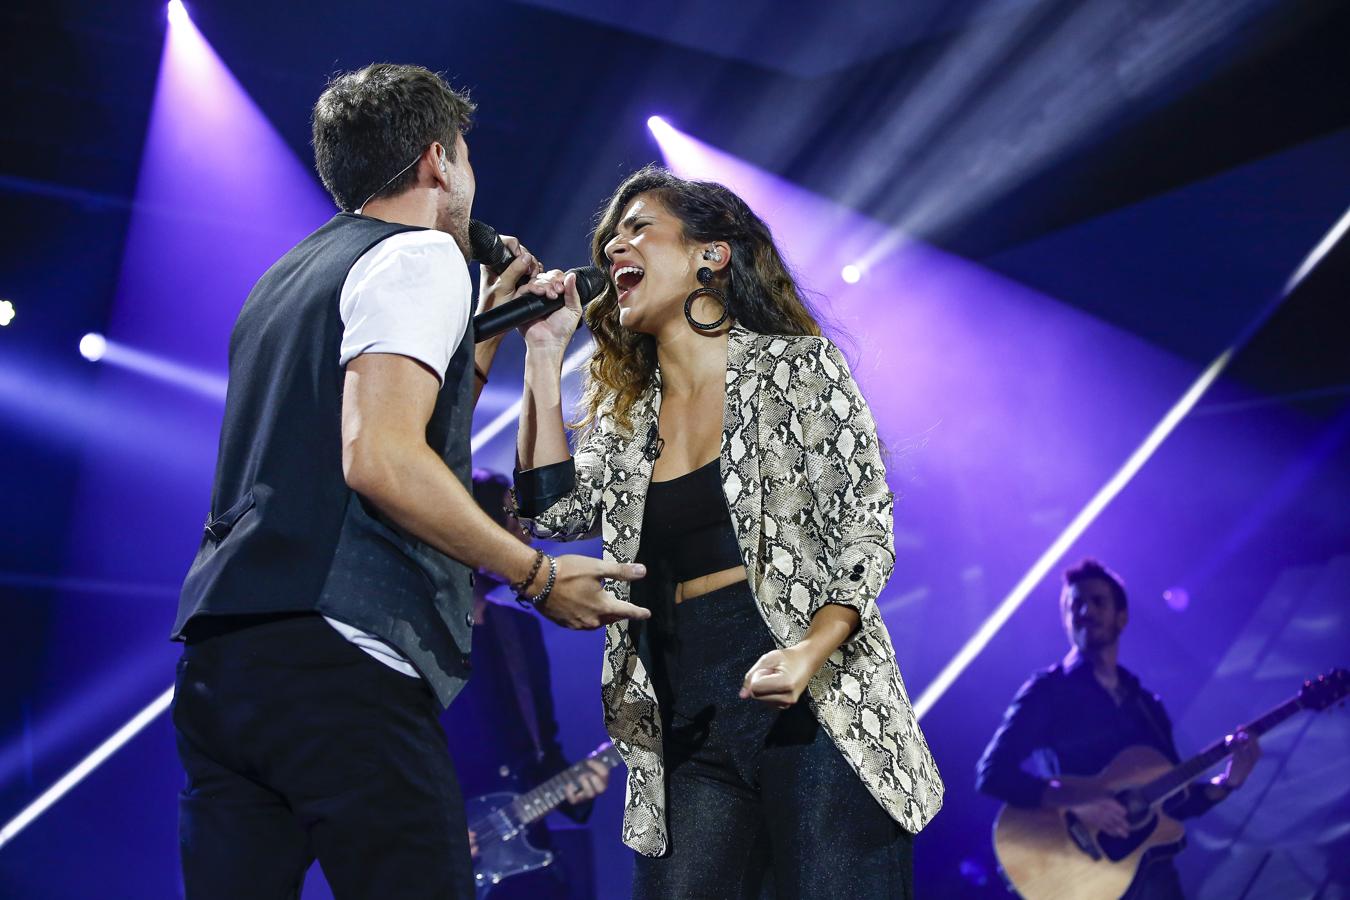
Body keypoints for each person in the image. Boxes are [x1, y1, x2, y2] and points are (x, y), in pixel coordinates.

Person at [169, 64, 646, 900]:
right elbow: (382, 457)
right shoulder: (420, 253)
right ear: (437, 161)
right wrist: (535, 575)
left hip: (226, 663)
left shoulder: (285, 279)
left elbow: (391, 423)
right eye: (464, 158)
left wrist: (483, 336)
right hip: (341, 662)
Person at [509, 164, 944, 899]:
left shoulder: (794, 368)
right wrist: (543, 353)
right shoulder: (625, 414)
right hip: (683, 706)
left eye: (638, 227)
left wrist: (811, 647)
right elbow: (551, 512)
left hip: (811, 689)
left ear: (711, 255)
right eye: (610, 235)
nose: (615, 243)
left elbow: (865, 523)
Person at [975, 559, 1262, 899]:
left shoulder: (1147, 706)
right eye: (1075, 604)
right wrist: (1077, 800)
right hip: (1082, 875)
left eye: (1098, 601)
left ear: (1121, 617)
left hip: (1155, 879)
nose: (1086, 611)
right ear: (1066, 620)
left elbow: (1175, 802)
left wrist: (1229, 782)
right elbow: (992, 774)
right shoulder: (1047, 692)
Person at [449, 470, 610, 900]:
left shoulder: (518, 631)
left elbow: (543, 745)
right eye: (506, 516)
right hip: (445, 849)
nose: (522, 530)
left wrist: (576, 788)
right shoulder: (425, 631)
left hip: (527, 857)